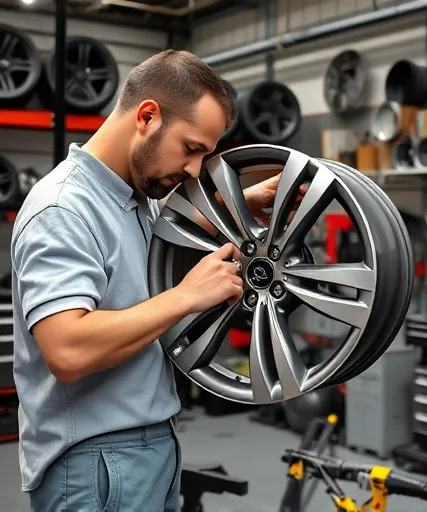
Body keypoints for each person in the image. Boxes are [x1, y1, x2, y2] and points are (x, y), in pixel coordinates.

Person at [10, 49, 283, 512]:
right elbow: (68, 349)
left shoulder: (136, 196)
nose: (196, 169)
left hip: (146, 448)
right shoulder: (62, 209)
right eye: (192, 148)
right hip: (94, 465)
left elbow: (163, 243)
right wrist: (185, 297)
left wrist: (238, 208)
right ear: (148, 116)